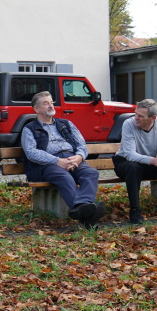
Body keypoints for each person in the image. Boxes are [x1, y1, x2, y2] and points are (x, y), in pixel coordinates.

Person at [21, 91, 104, 227]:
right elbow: (31, 153)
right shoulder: (29, 129)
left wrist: (79, 157)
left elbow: (81, 144)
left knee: (91, 173)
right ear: (36, 109)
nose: (51, 106)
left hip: (72, 159)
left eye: (51, 102)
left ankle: (81, 208)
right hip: (48, 164)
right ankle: (88, 216)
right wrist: (57, 161)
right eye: (45, 103)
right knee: (64, 177)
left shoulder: (66, 124)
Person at [113, 99, 157, 224]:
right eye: (135, 113)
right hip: (125, 163)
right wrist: (152, 160)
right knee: (133, 167)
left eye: (141, 116)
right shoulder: (128, 124)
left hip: (148, 163)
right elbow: (130, 154)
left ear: (153, 118)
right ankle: (135, 211)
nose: (136, 118)